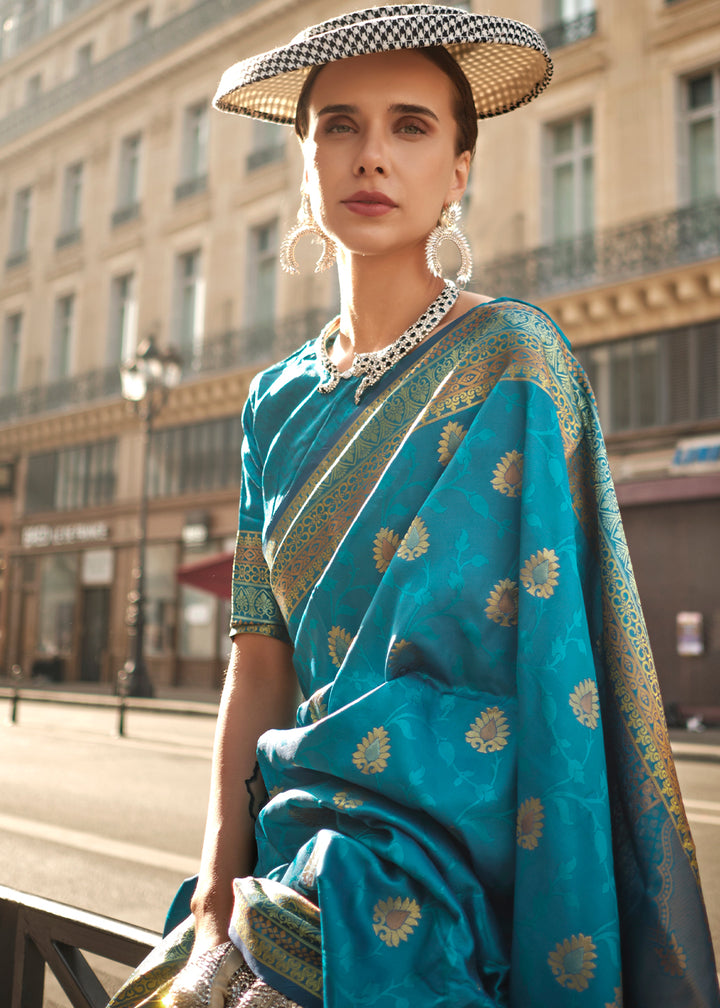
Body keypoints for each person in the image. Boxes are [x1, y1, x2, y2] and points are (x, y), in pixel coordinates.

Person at [107, 6, 720, 1008]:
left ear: (459, 169)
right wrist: (216, 886)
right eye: (339, 126)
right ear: (306, 165)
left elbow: (563, 661)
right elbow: (259, 657)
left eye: (411, 126)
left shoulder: (517, 360)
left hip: (461, 866)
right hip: (297, 849)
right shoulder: (272, 403)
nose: (372, 155)